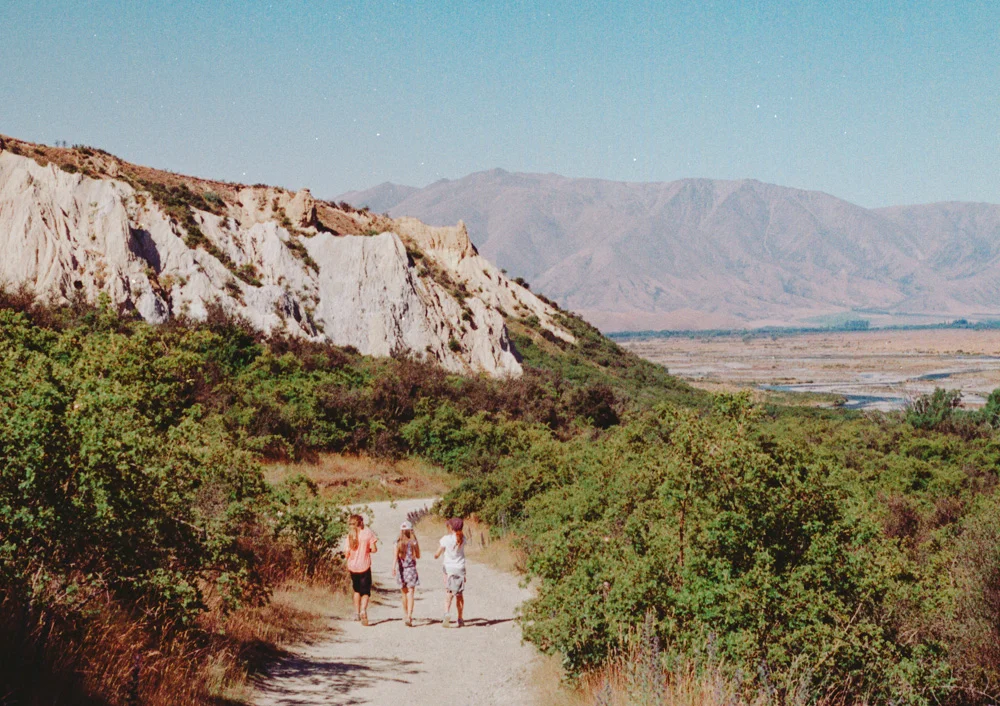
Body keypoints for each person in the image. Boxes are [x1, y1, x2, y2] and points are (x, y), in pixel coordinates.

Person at [345, 514, 378, 626]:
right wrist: (366, 550)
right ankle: (363, 610)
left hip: (353, 566)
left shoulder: (349, 535)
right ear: (361, 522)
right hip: (364, 565)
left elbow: (346, 554)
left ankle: (356, 613)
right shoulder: (368, 533)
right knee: (366, 591)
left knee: (356, 590)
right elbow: (374, 549)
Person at [433, 517, 466, 627]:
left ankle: (446, 613)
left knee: (449, 592)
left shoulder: (446, 539)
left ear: (451, 527)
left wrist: (436, 555)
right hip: (460, 568)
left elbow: (437, 554)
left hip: (449, 569)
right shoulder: (463, 538)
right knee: (460, 594)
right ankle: (460, 618)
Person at [391, 520, 421, 626]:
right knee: (411, 593)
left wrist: (393, 568)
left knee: (403, 593)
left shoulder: (397, 543)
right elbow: (418, 555)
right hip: (411, 569)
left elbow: (395, 557)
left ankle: (405, 613)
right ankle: (409, 615)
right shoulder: (413, 542)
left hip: (401, 570)